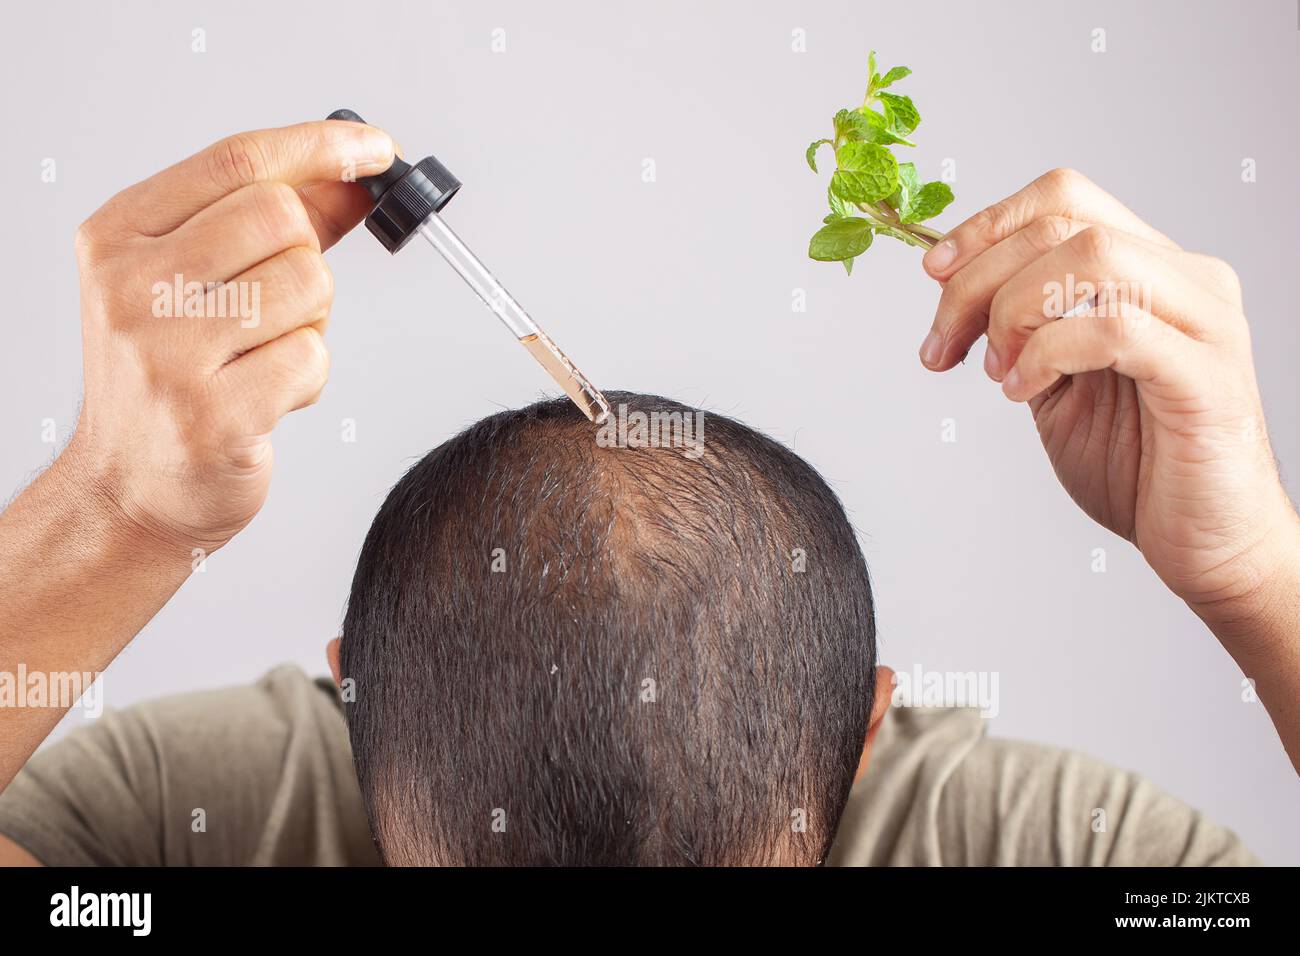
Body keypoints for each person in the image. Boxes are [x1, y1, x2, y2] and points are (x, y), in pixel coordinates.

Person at [0, 124, 1294, 866]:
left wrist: (1257, 569)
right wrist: (114, 513)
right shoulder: (185, 822)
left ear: (860, 743)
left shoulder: (1020, 849)